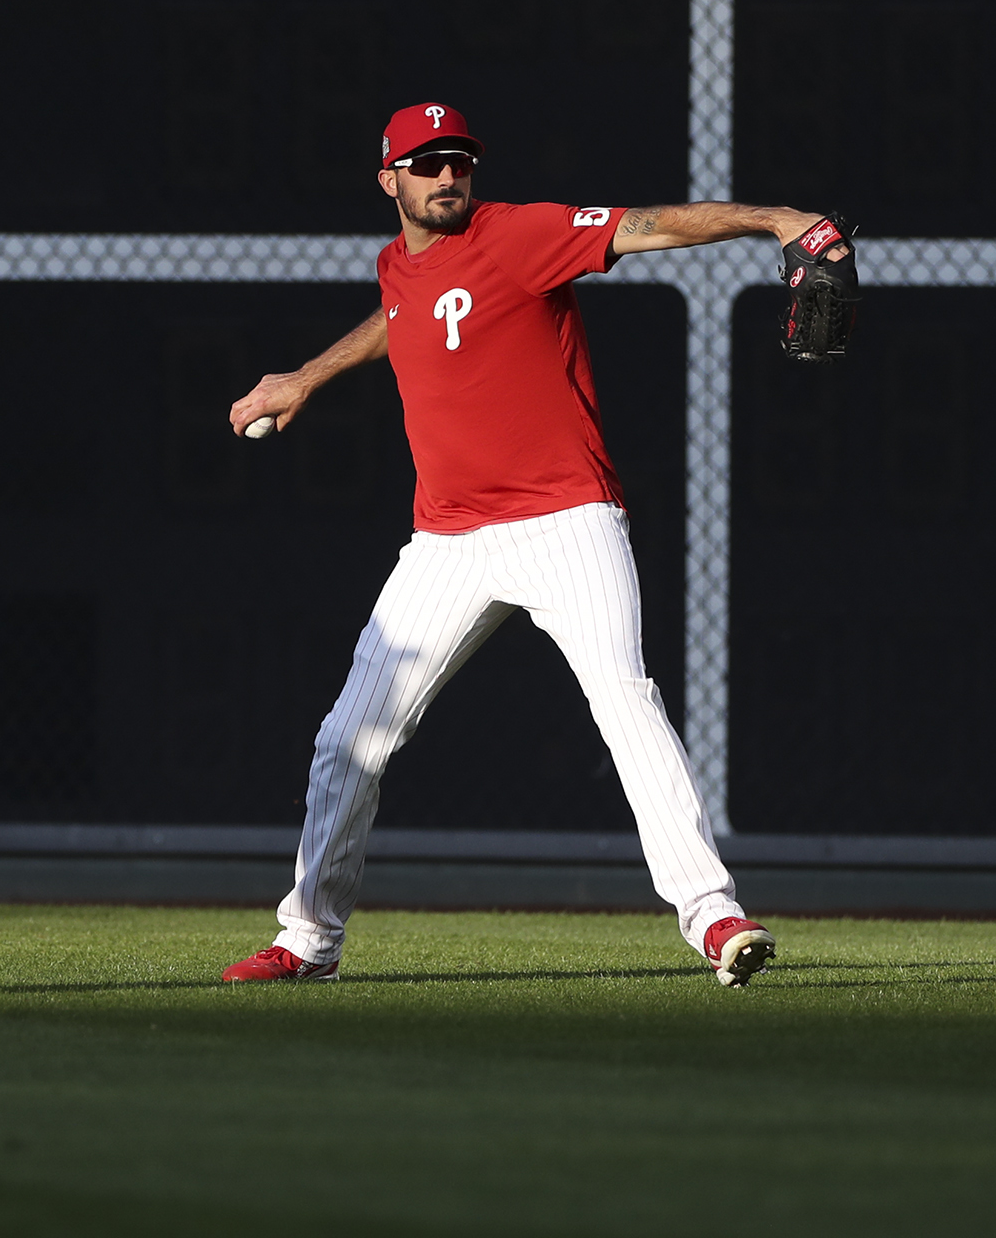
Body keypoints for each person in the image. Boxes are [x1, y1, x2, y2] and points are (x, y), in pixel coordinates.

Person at [220, 102, 854, 987]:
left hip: (565, 520)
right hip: (446, 540)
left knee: (626, 704)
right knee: (347, 740)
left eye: (460, 162)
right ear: (389, 180)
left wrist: (776, 220)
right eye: (428, 163)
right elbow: (406, 319)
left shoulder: (522, 235)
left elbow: (651, 225)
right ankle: (309, 941)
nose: (449, 177)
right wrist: (305, 378)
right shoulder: (397, 266)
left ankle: (715, 919)